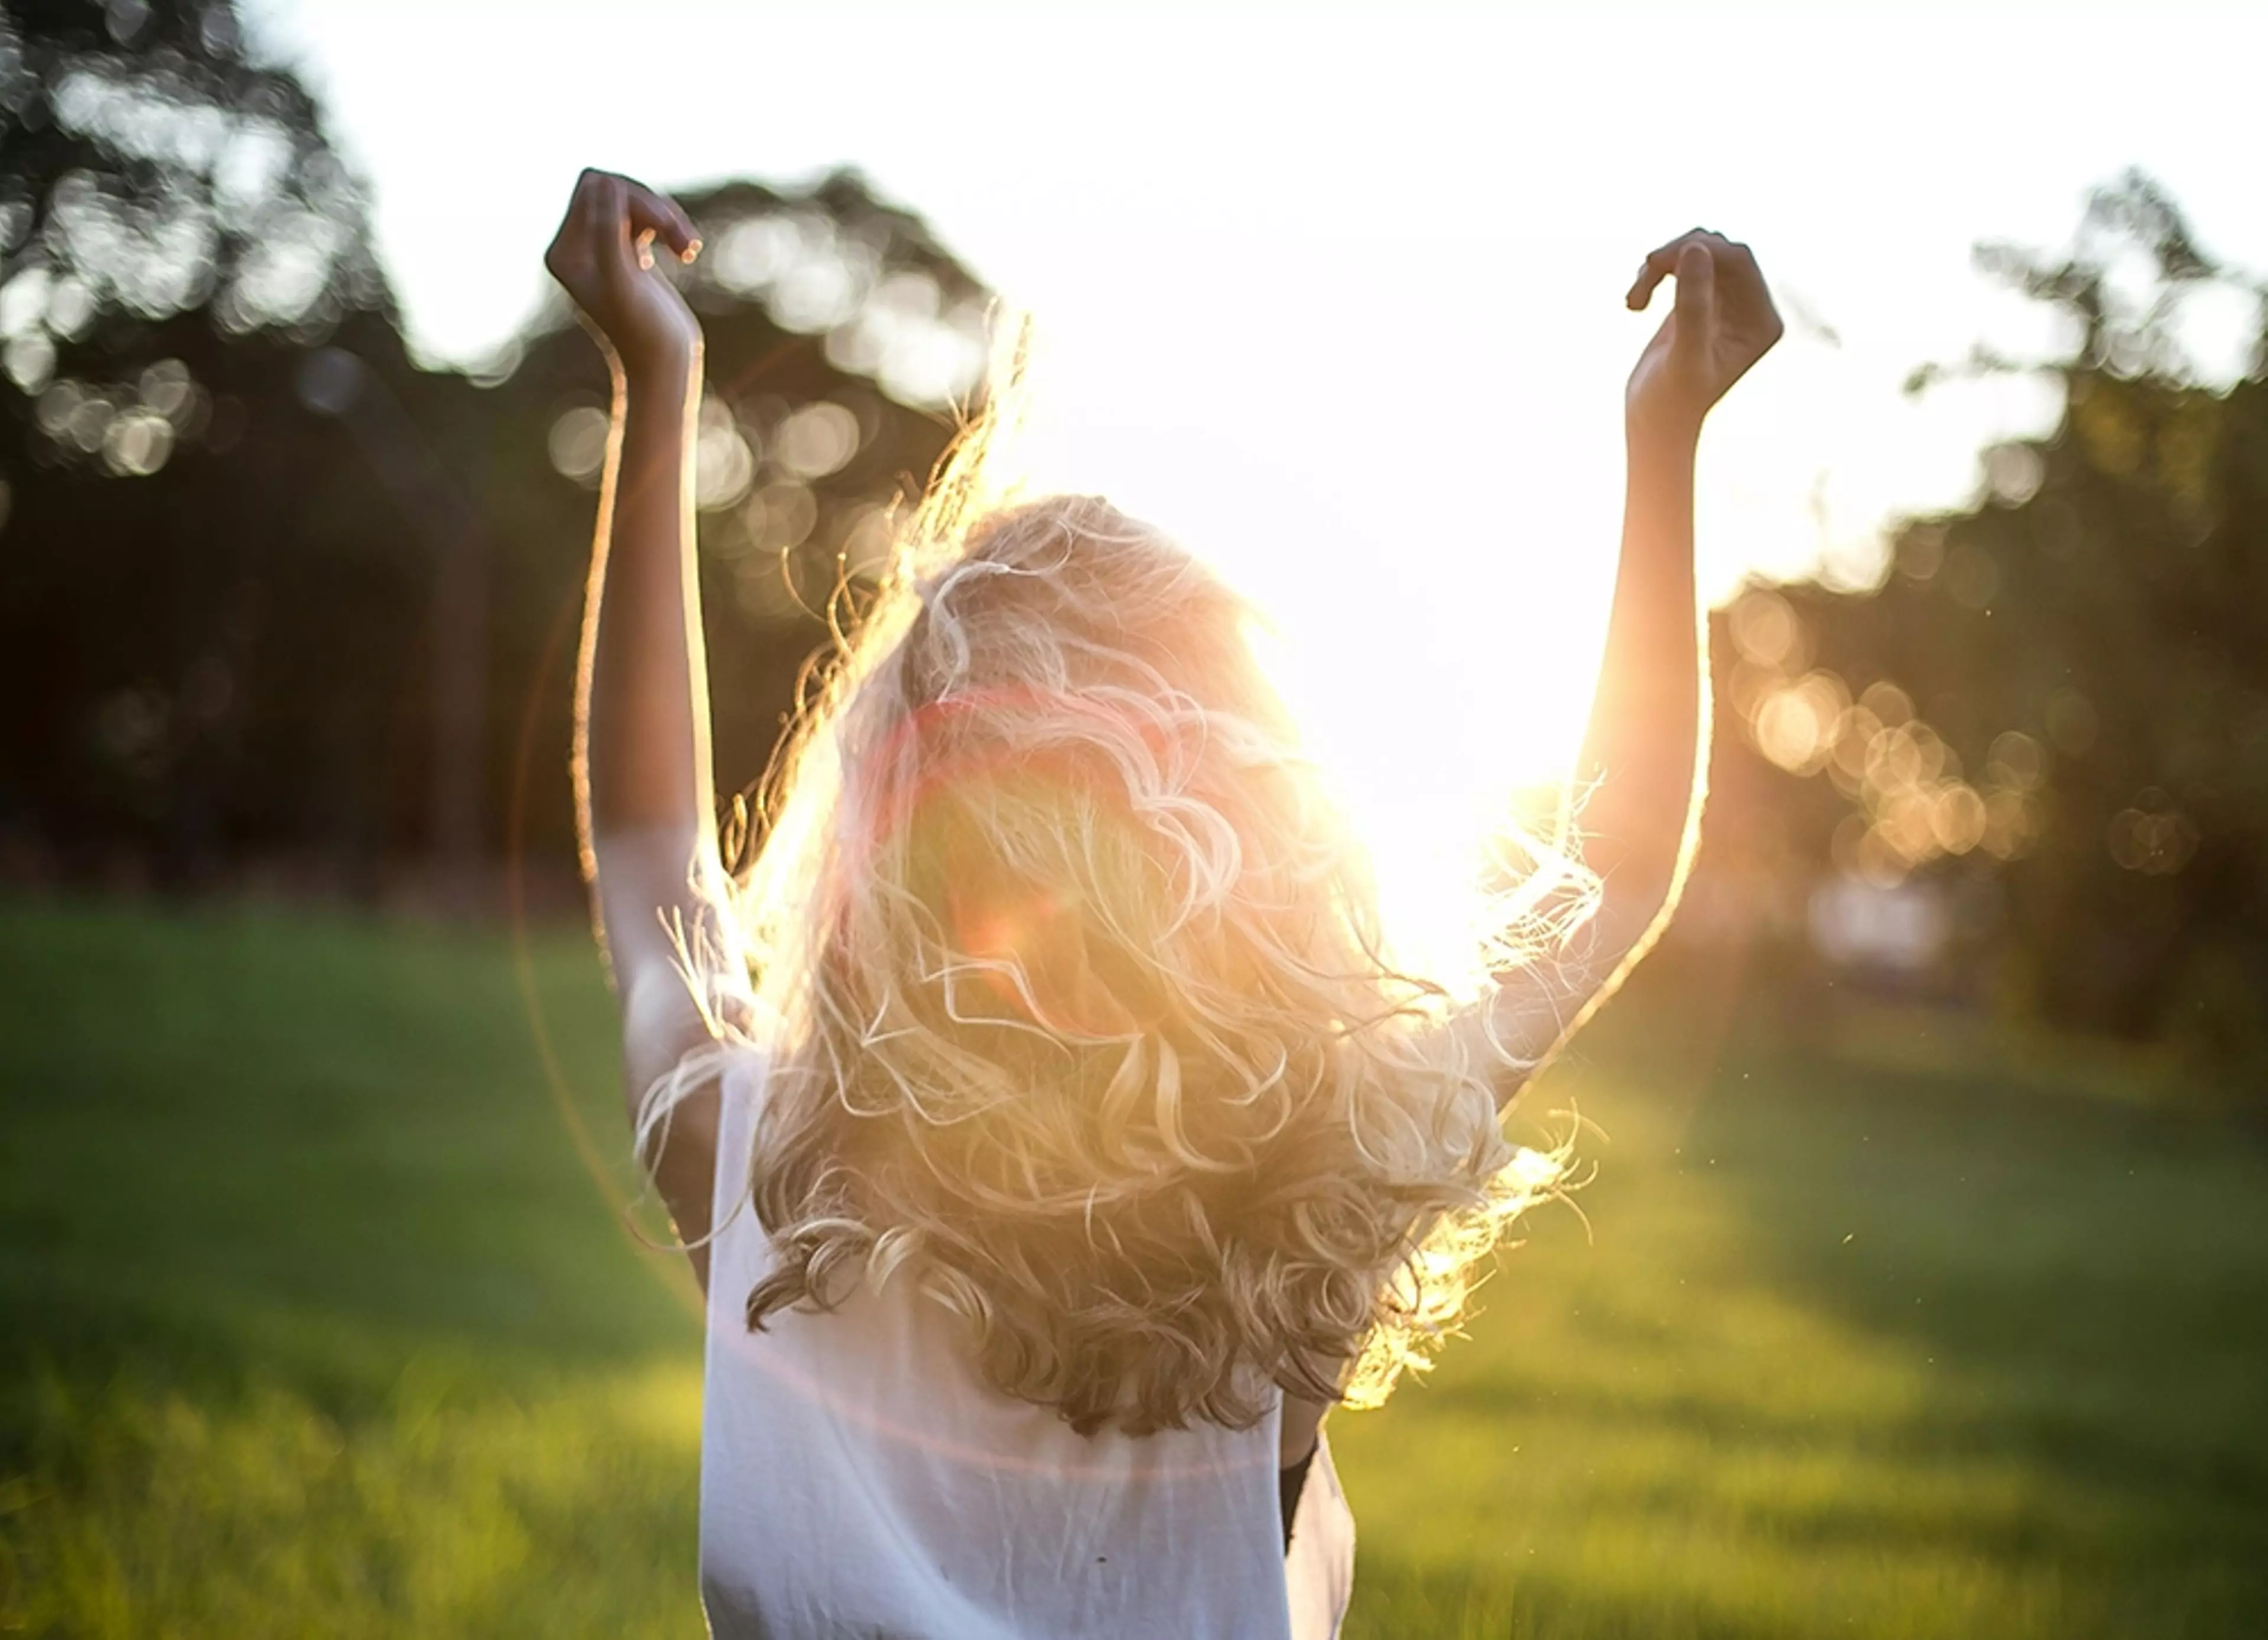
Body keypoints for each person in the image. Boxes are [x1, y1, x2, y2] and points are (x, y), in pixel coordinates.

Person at [545, 167, 1781, 1639]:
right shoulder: (1313, 1193)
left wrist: (658, 379)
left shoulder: (753, 1162)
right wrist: (1667, 439)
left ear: (886, 844)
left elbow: (650, 849)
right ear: (1249, 837)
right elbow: (1615, 860)